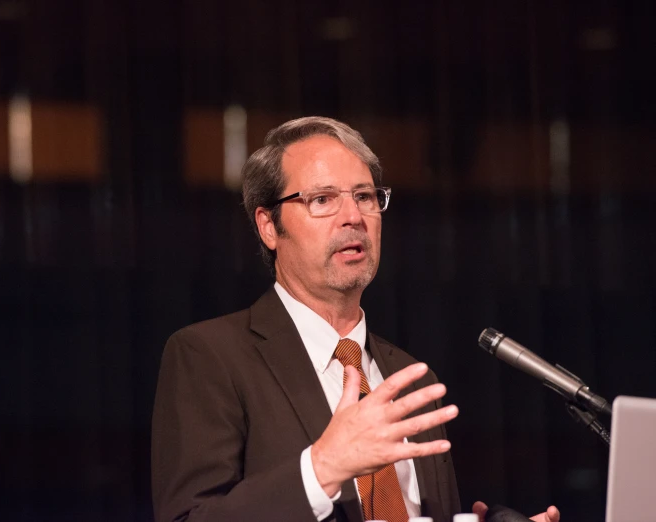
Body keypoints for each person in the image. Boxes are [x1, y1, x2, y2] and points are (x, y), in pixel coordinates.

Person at [151, 117, 560, 522]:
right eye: (323, 199)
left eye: (365, 196)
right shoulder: (210, 356)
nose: (353, 216)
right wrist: (322, 468)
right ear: (268, 227)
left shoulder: (414, 380)